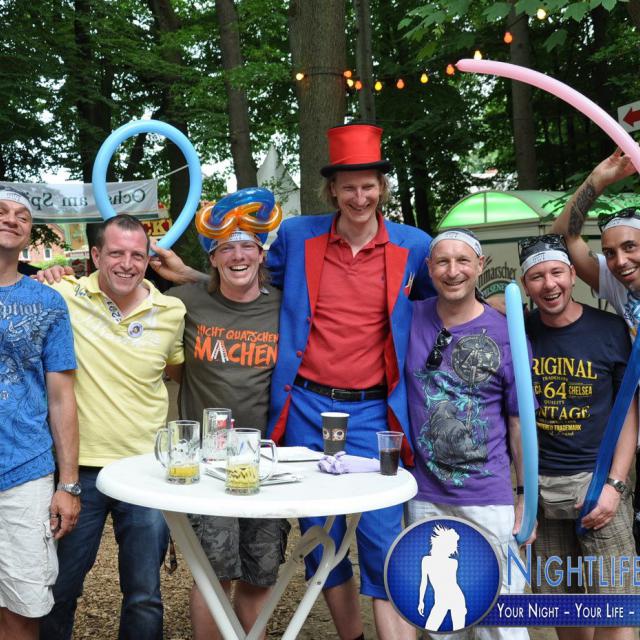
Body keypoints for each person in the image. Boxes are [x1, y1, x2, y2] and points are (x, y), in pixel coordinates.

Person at [152, 124, 435, 640]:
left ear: (382, 188)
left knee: (383, 536)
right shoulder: (299, 236)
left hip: (376, 412)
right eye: (348, 187)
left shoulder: (415, 246)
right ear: (332, 191)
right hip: (306, 407)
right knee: (319, 539)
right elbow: (245, 280)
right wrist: (191, 276)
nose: (359, 197)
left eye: (368, 186)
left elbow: (444, 308)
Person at [39, 214, 186, 640]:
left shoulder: (171, 310)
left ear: (149, 260)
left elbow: (178, 371)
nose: (127, 264)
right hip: (78, 470)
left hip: (145, 470)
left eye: (137, 255)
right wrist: (47, 273)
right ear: (96, 254)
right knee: (59, 588)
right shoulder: (62, 294)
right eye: (116, 253)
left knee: (144, 595)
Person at [164, 201, 289, 639]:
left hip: (265, 460)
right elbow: (163, 356)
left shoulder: (284, 305)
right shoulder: (183, 302)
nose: (238, 255)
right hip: (207, 462)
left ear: (261, 253)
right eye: (225, 248)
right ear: (212, 258)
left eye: (247, 246)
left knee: (260, 575)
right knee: (214, 575)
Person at [404, 228, 530, 640]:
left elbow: (519, 423)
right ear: (429, 269)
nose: (452, 270)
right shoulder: (409, 318)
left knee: (502, 620)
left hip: (489, 498)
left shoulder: (507, 333)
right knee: (443, 624)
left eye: (463, 261)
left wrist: (525, 498)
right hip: (425, 497)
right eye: (442, 261)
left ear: (480, 266)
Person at [520, 233, 638, 640]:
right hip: (543, 492)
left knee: (616, 607)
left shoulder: (610, 330)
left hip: (599, 484)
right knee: (561, 605)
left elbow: (628, 413)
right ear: (524, 285)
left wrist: (615, 486)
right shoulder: (517, 332)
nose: (549, 284)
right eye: (537, 276)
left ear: (573, 274)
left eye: (557, 272)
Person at [550, 148, 640, 547]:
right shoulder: (618, 285)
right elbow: (561, 237)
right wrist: (598, 179)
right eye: (611, 252)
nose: (620, 261)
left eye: (630, 247)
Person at [0, 187, 79, 640]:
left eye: (22, 215)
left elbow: (61, 397)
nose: (11, 219)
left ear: (30, 232)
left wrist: (68, 485)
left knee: (23, 605)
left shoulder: (48, 303)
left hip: (24, 472)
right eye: (2, 211)